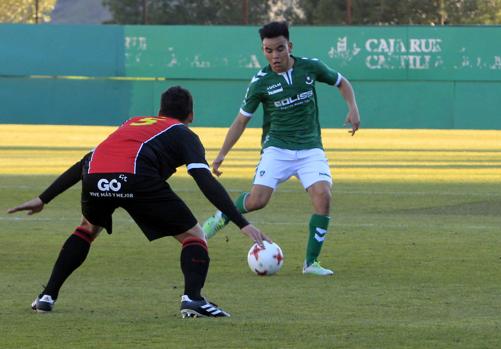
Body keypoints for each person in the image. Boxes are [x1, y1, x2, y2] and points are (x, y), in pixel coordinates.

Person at [8, 86, 270, 318]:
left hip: (95, 176)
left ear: (158, 110)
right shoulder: (184, 133)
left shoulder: (132, 122)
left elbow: (86, 160)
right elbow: (204, 179)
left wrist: (44, 199)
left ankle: (46, 297)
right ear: (190, 116)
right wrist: (240, 221)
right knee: (195, 236)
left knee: (88, 228)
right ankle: (193, 299)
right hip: (136, 178)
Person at [202, 21, 360, 276]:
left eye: (279, 49)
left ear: (290, 47)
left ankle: (311, 263)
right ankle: (223, 214)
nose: (274, 56)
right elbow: (242, 120)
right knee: (257, 201)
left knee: (323, 197)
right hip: (276, 149)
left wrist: (353, 108)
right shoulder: (261, 82)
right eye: (268, 50)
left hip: (310, 148)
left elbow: (342, 82)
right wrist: (222, 154)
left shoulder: (310, 67)